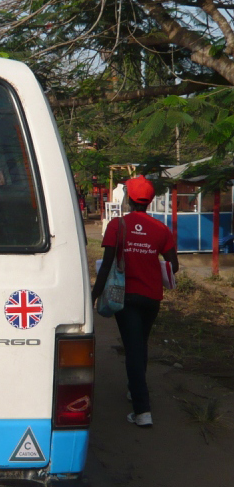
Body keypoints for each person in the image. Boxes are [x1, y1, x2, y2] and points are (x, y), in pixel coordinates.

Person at [91, 176, 179, 428]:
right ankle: (133, 388)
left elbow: (106, 265)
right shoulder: (160, 229)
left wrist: (93, 295)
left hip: (125, 297)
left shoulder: (117, 226)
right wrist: (152, 263)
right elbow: (174, 266)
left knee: (133, 348)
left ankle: (142, 410)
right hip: (152, 297)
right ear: (150, 201)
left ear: (129, 199)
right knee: (140, 342)